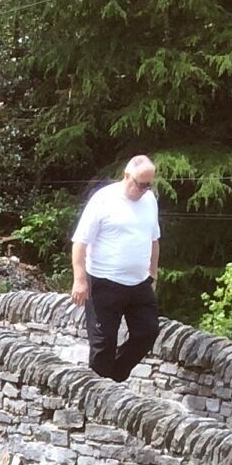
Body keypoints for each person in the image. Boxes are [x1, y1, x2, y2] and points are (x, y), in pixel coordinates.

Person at [71, 156, 161, 383]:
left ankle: (114, 379)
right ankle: (98, 394)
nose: (144, 190)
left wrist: (153, 274)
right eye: (141, 184)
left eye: (148, 185)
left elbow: (154, 240)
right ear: (127, 176)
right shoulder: (103, 200)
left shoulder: (149, 200)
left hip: (139, 283)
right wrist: (80, 280)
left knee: (148, 332)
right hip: (104, 282)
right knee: (103, 346)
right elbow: (80, 243)